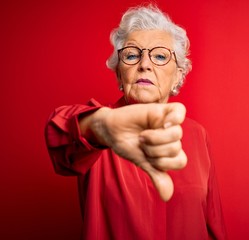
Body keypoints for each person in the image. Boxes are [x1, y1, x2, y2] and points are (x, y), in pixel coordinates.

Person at [45, 5, 227, 240]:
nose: (145, 64)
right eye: (132, 55)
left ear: (178, 74)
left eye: (160, 56)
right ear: (120, 74)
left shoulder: (198, 135)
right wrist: (98, 127)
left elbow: (213, 224)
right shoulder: (99, 127)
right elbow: (59, 139)